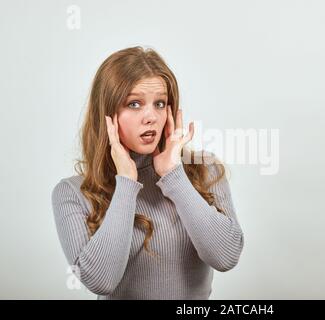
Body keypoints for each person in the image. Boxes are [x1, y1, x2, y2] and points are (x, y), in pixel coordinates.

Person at [51, 46, 244, 299]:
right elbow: (100, 281)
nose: (151, 116)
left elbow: (226, 257)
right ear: (107, 115)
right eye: (134, 104)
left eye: (160, 103)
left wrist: (173, 175)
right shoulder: (72, 193)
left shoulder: (205, 170)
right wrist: (126, 183)